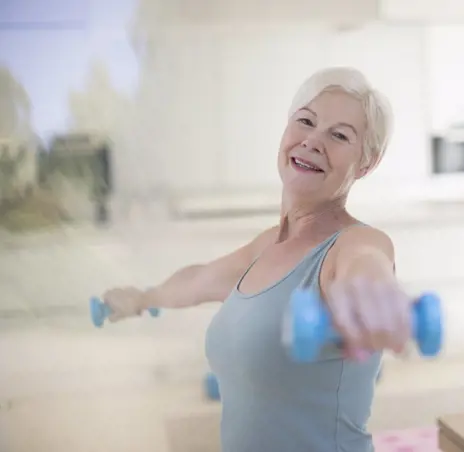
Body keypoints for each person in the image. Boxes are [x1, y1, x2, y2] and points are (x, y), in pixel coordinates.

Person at [102, 67, 412, 452]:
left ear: (367, 162)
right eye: (306, 122)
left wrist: (373, 294)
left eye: (339, 135)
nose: (313, 141)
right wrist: (142, 298)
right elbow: (199, 281)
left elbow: (367, 264)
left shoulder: (354, 243)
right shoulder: (266, 247)